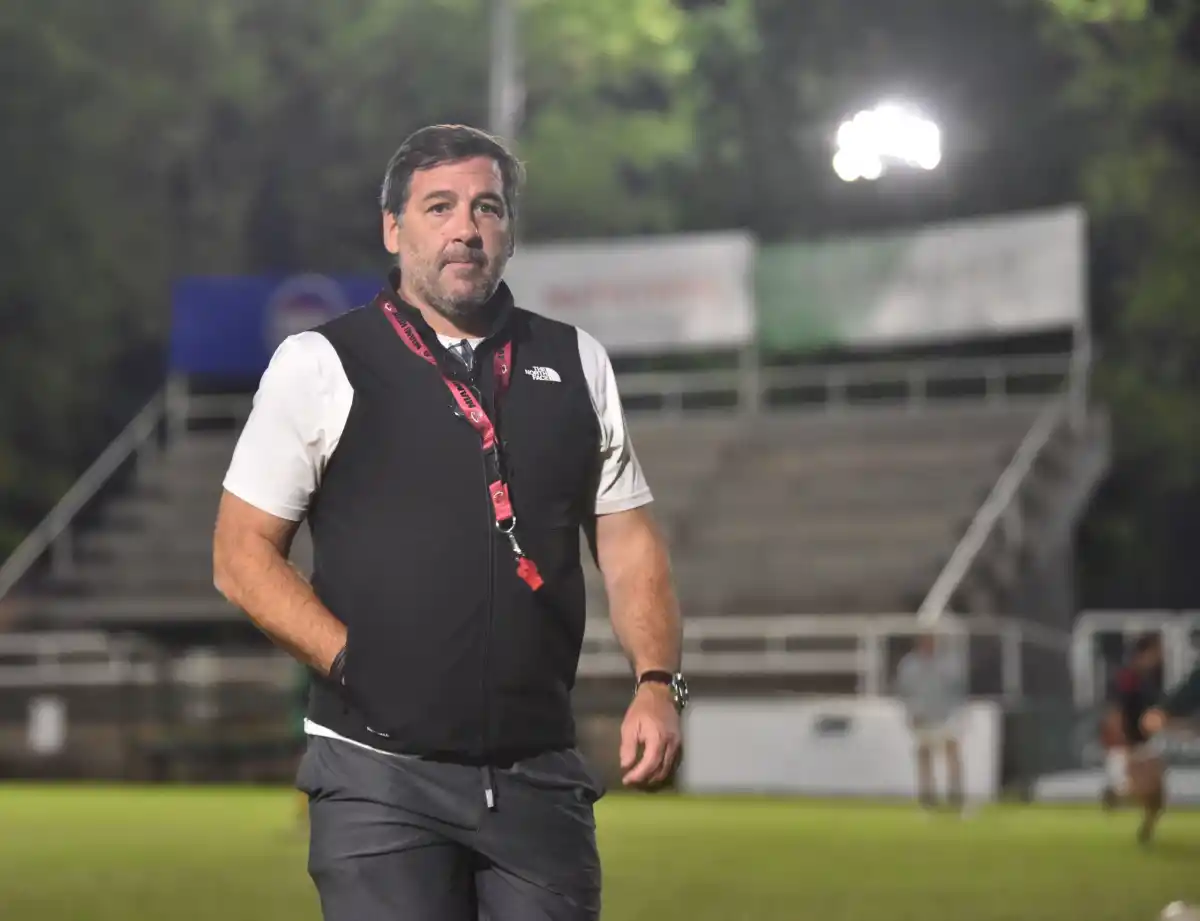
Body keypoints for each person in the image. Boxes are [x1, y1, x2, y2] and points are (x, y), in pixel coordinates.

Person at [212, 124, 688, 921]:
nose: (466, 228)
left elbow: (628, 539)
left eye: (487, 208)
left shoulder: (576, 361)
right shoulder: (321, 362)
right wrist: (357, 663)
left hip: (539, 774)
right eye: (439, 207)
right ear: (394, 230)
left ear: (509, 231)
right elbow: (239, 555)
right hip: (378, 776)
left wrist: (657, 681)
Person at [1102, 632, 1165, 845]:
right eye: (1156, 651)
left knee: (1157, 792)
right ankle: (1116, 794)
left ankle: (1146, 831)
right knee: (1142, 790)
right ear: (1143, 652)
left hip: (1143, 742)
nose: (1160, 656)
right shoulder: (1126, 678)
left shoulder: (1147, 680)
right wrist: (1122, 745)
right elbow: (1115, 713)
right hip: (1127, 743)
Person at [894, 629, 967, 812]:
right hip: (922, 716)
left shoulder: (947, 663)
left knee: (952, 752)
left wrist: (957, 712)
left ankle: (955, 794)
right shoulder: (909, 665)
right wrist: (911, 712)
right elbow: (904, 692)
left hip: (945, 716)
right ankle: (927, 795)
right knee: (924, 755)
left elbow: (957, 688)